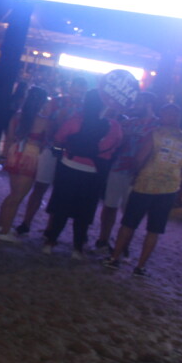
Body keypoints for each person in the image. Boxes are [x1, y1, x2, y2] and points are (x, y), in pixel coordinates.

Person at [103, 104, 182, 277]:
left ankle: (114, 258)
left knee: (129, 224)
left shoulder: (155, 134)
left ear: (165, 116)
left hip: (145, 184)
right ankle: (140, 266)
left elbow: (139, 159)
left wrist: (135, 173)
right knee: (154, 230)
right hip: (168, 189)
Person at [42, 89, 122, 258]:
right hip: (93, 172)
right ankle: (77, 248)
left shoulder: (76, 120)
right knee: (84, 212)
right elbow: (114, 147)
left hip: (68, 166)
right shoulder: (113, 126)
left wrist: (60, 154)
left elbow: (59, 139)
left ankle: (50, 242)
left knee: (61, 208)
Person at [14, 77, 87, 235]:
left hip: (69, 152)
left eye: (82, 89)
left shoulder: (86, 108)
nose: (79, 92)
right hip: (50, 147)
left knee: (61, 192)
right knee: (40, 186)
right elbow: (43, 124)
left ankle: (50, 228)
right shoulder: (55, 102)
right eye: (77, 87)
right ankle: (26, 222)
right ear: (71, 87)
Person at [95, 91, 159, 253]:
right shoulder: (127, 123)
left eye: (139, 102)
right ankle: (103, 240)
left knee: (131, 212)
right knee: (110, 205)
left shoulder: (158, 127)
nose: (134, 105)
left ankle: (123, 245)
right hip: (118, 168)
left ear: (149, 104)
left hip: (140, 174)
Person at [0, 85, 49, 242]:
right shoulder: (43, 120)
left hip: (15, 152)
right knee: (18, 197)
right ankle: (5, 231)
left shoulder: (17, 116)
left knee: (12, 194)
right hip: (30, 156)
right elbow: (47, 141)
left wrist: (5, 156)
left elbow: (9, 138)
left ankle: (0, 224)